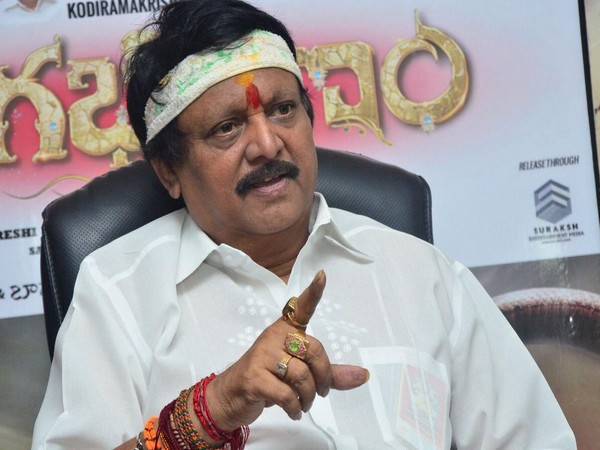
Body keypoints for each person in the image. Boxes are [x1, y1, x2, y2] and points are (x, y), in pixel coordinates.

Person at [32, 1, 576, 448]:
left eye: (283, 110)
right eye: (227, 128)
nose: (267, 144)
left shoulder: (424, 275)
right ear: (169, 172)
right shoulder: (117, 294)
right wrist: (215, 408)